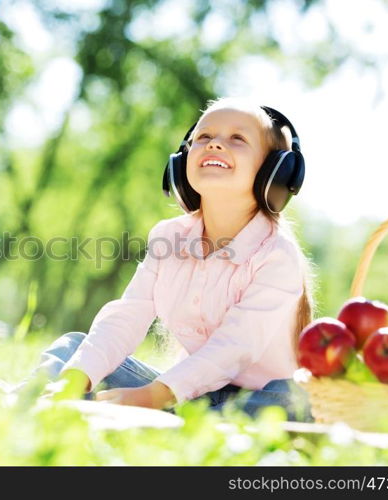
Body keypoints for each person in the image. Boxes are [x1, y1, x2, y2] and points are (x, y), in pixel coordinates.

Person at [17, 97, 316, 422]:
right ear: (181, 161)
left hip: (256, 400)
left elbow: (235, 347)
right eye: (203, 137)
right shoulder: (168, 238)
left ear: (274, 172)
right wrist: (75, 380)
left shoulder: (276, 255)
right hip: (189, 394)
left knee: (292, 400)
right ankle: (27, 403)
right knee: (76, 350)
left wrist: (154, 396)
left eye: (237, 139)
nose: (214, 143)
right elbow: (127, 317)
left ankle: (177, 425)